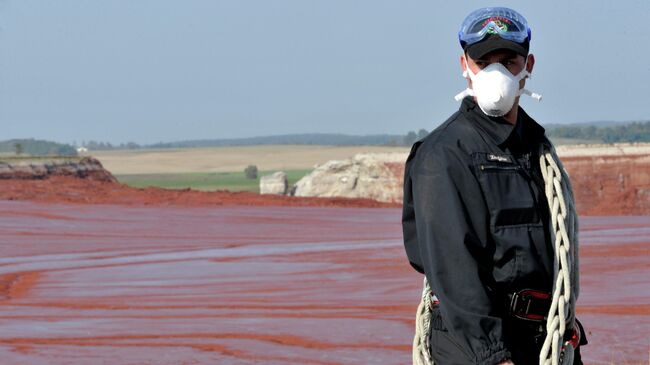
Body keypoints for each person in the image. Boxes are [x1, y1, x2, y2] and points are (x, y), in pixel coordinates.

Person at [402, 7, 587, 365]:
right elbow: (453, 267)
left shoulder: (535, 149)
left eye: (508, 60)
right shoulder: (445, 154)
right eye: (484, 61)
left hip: (544, 337)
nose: (496, 72)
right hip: (481, 346)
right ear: (464, 65)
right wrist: (492, 355)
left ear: (528, 65)